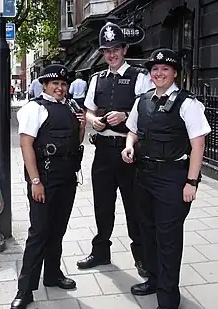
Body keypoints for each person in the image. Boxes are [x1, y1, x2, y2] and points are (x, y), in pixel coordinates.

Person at [122, 48, 211, 309]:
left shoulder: (189, 103)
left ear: (174, 73)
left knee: (168, 239)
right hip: (144, 175)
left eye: (165, 69)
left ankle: (168, 298)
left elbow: (198, 145)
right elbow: (133, 131)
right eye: (155, 69)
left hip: (173, 178)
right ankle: (153, 278)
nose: (159, 73)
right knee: (146, 232)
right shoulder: (142, 100)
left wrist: (191, 182)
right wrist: (129, 146)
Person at [76, 22, 153, 276]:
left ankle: (142, 256)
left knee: (134, 205)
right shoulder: (96, 78)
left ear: (124, 49)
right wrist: (92, 120)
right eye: (106, 50)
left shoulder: (139, 77)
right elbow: (86, 110)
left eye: (116, 49)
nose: (111, 55)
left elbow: (148, 111)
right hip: (103, 152)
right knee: (102, 204)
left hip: (129, 151)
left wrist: (126, 114)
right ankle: (101, 252)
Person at [11, 64, 86, 309]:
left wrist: (82, 124)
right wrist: (35, 181)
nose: (60, 88)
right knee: (39, 232)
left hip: (67, 177)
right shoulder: (35, 108)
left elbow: (77, 140)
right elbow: (26, 146)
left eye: (63, 84)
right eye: (55, 84)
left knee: (58, 230)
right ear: (44, 85)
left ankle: (52, 274)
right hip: (44, 178)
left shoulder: (70, 107)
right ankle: (25, 289)